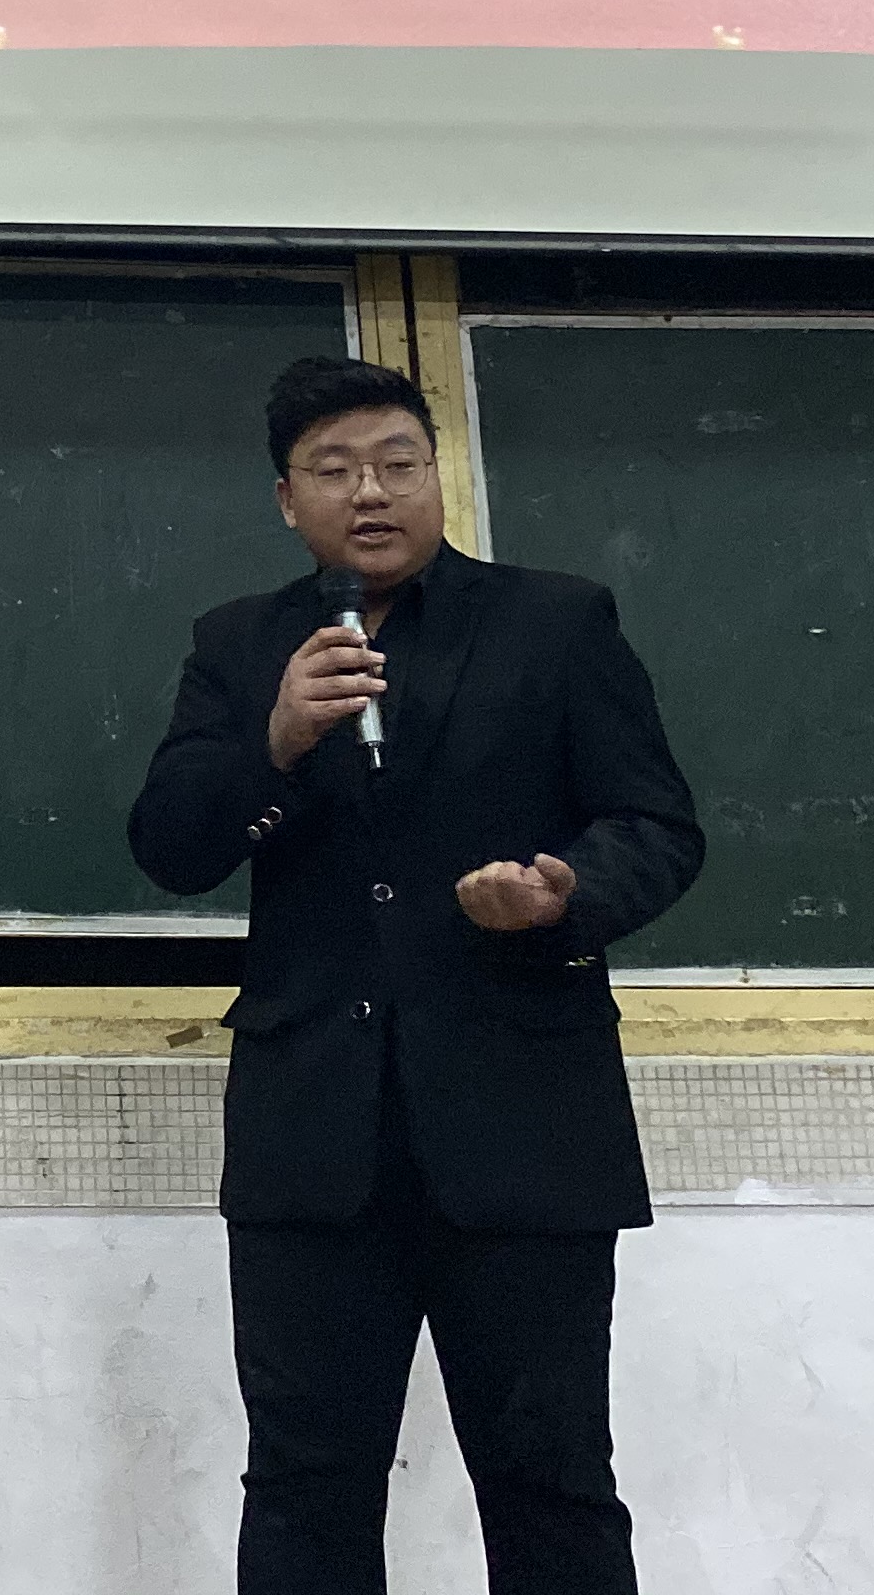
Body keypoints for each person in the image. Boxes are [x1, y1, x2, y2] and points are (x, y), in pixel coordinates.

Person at [129, 354, 704, 1595]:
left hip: (523, 1125)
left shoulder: (558, 621)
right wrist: (275, 745)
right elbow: (171, 847)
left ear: (437, 478)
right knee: (304, 1489)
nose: (371, 492)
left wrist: (561, 894)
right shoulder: (240, 645)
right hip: (312, 1137)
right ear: (287, 499)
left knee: (551, 1483)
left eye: (398, 463)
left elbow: (656, 826)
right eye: (335, 471)